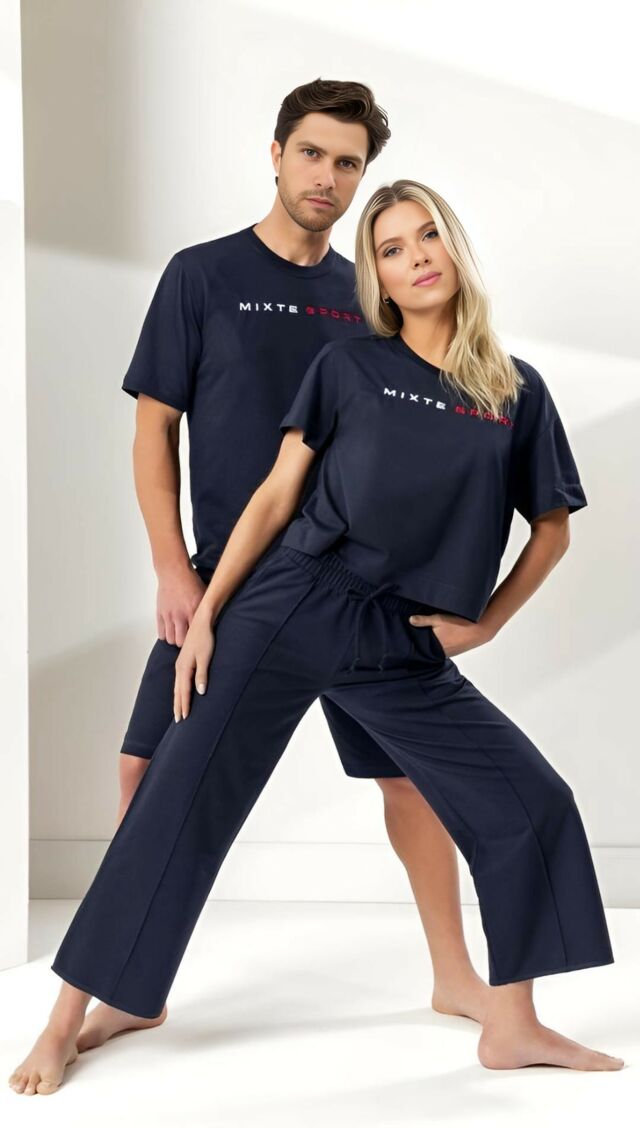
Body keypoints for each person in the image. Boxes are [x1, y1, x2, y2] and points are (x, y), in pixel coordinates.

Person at [9, 179, 624, 1099]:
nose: (415, 258)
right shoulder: (349, 365)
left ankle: (513, 1024)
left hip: (399, 637)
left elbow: (552, 528)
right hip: (292, 604)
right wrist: (208, 614)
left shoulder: (514, 390)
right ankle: (68, 1020)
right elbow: (273, 499)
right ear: (377, 277)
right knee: (176, 800)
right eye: (391, 248)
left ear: (455, 249)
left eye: (428, 237)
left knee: (531, 801)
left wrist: (488, 620)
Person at [77, 79, 490, 1057]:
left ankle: (453, 975)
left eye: (348, 162)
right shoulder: (201, 276)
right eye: (312, 153)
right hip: (227, 582)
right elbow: (153, 433)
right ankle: (135, 987)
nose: (327, 177)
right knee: (145, 769)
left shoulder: (371, 295)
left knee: (410, 779)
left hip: (355, 590)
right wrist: (174, 570)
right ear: (275, 153)